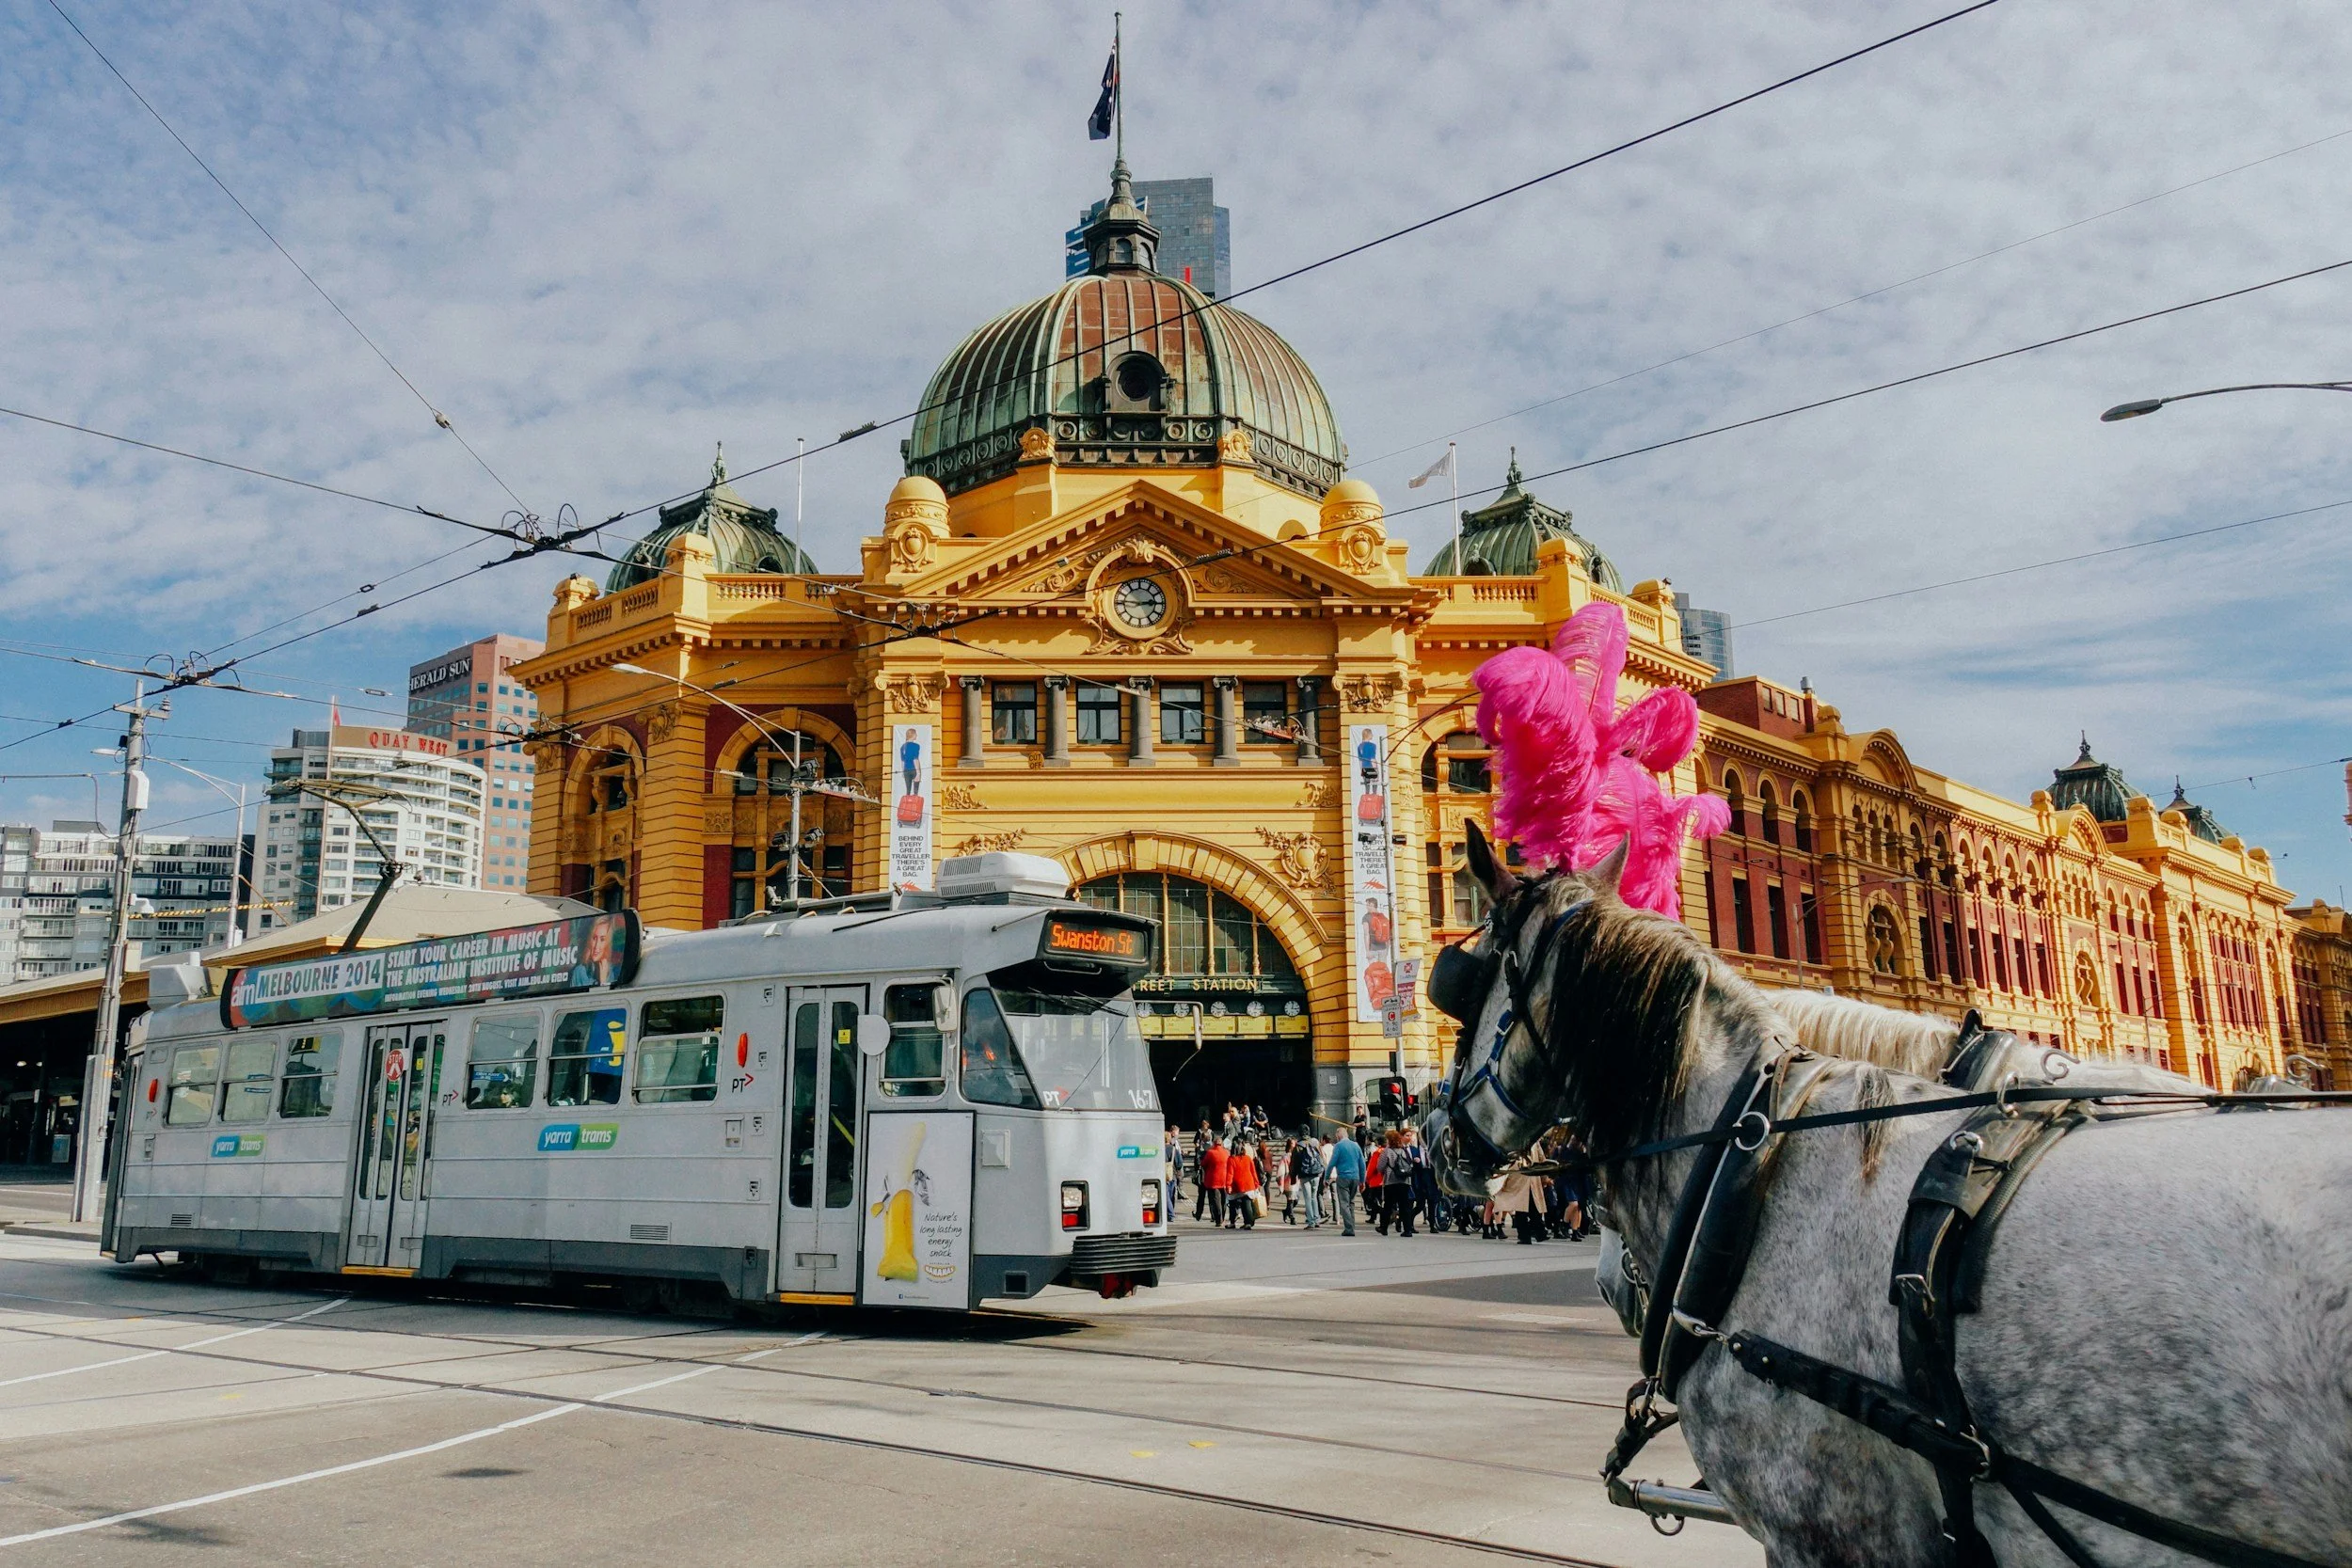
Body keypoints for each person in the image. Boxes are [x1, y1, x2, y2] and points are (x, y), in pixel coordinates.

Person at [1326, 1127, 1365, 1236]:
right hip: (1355, 1177)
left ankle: (1349, 1228)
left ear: (1339, 1135)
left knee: (1344, 1203)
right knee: (1351, 1203)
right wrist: (1363, 1181)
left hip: (1343, 1177)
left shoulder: (1338, 1146)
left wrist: (1326, 1178)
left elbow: (1331, 1164)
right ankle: (1351, 1225)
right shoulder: (1356, 1145)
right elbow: (1362, 1164)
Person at [1288, 1134, 1324, 1228]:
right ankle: (1317, 1219)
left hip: (1304, 1174)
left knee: (1307, 1198)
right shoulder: (1314, 1143)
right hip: (1316, 1174)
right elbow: (1320, 1158)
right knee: (1314, 1197)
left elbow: (1294, 1163)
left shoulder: (1298, 1146)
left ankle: (1311, 1221)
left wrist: (1293, 1176)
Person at [1225, 1138, 1261, 1228]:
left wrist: (1228, 1185)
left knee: (1232, 1204)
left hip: (1236, 1185)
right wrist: (1256, 1183)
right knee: (1247, 1203)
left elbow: (1230, 1174)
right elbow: (1253, 1172)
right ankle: (1248, 1222)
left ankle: (1232, 1222)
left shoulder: (1231, 1159)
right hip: (1249, 1184)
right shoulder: (1248, 1158)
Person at [1199, 1135, 1230, 1227]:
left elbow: (1204, 1164)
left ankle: (1218, 1219)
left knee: (1216, 1200)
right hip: (1224, 1179)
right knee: (1224, 1200)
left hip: (1213, 1179)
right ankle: (1223, 1217)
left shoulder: (1210, 1153)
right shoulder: (1226, 1152)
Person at [1164, 1125, 1184, 1212]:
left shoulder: (1161, 1149)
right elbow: (1179, 1163)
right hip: (1173, 1173)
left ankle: (1169, 1212)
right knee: (1171, 1193)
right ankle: (1171, 1211)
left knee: (1166, 1193)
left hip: (1164, 1173)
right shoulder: (1173, 1149)